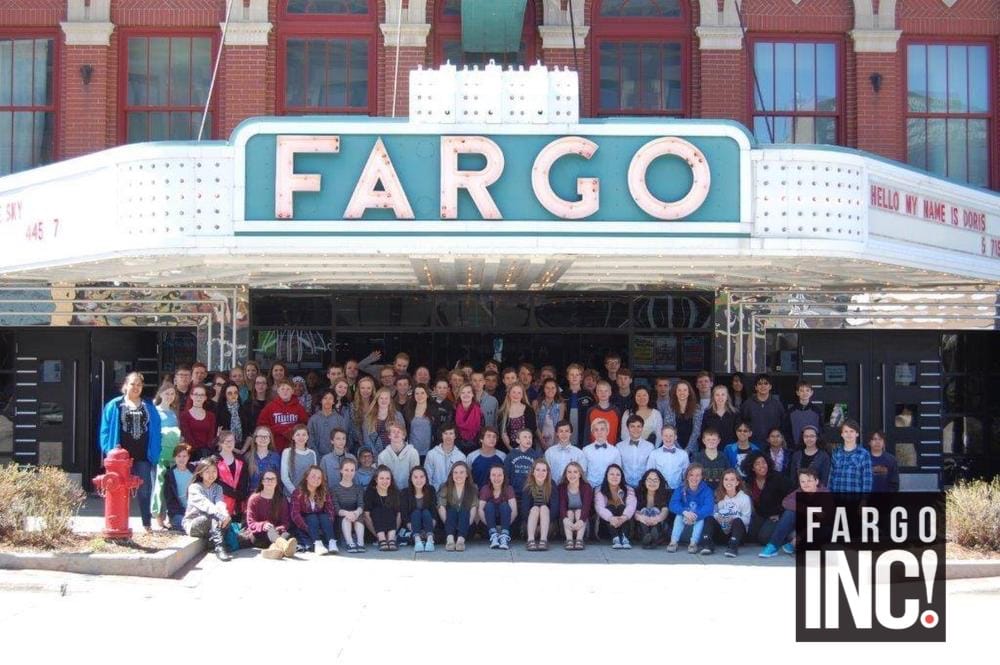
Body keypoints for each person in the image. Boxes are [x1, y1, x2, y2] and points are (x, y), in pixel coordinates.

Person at [99, 371, 162, 532]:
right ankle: (117, 525)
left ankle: (147, 524)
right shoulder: (115, 405)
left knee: (144, 489)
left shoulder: (149, 406)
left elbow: (156, 429)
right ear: (125, 385)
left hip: (143, 456)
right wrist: (108, 450)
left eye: (139, 384)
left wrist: (156, 450)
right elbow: (105, 430)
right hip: (120, 459)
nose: (136, 387)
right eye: (132, 383)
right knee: (118, 489)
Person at [759, 467, 828, 557]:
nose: (806, 484)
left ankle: (793, 544)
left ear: (816, 481)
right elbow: (786, 501)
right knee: (790, 512)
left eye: (809, 481)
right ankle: (773, 545)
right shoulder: (799, 491)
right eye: (802, 482)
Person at [182, 456, 233, 561]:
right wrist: (220, 515)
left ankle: (213, 543)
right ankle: (219, 547)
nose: (211, 475)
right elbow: (205, 504)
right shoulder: (194, 487)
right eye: (207, 472)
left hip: (212, 523)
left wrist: (225, 514)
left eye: (214, 471)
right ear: (200, 473)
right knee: (213, 516)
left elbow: (220, 503)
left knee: (226, 517)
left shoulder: (218, 488)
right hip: (194, 524)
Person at [244, 471, 298, 560]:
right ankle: (284, 547)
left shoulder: (281, 499)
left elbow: (286, 522)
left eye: (273, 479)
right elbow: (251, 523)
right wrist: (263, 525)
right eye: (267, 479)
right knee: (272, 531)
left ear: (277, 482)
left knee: (287, 535)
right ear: (262, 481)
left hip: (276, 532)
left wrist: (276, 530)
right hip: (259, 535)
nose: (270, 481)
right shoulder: (254, 499)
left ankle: (273, 551)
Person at [700, 469, 751, 557]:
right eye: (726, 479)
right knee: (709, 518)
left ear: (737, 482)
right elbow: (713, 513)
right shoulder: (719, 496)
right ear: (722, 482)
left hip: (737, 535)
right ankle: (707, 544)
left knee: (738, 520)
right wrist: (718, 517)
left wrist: (733, 517)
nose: (729, 482)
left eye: (732, 479)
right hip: (722, 532)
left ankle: (733, 548)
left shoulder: (744, 498)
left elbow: (747, 520)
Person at [152, 382, 181, 530]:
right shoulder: (154, 412)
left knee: (170, 488)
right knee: (159, 487)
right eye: (167, 393)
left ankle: (170, 517)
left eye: (172, 394)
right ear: (160, 394)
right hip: (160, 455)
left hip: (174, 456)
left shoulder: (173, 413)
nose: (169, 396)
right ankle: (158, 518)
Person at [290, 465, 338, 555]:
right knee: (312, 517)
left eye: (319, 477)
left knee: (324, 516)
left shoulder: (324, 491)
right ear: (306, 477)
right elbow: (294, 514)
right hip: (304, 525)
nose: (316, 479)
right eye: (313, 476)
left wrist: (327, 523)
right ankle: (318, 544)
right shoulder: (298, 492)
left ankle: (332, 542)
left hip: (322, 525)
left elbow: (330, 510)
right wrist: (307, 527)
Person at [666, 464, 714, 553]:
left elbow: (709, 508)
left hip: (698, 525)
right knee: (679, 516)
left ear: (702, 477)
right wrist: (684, 512)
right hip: (683, 522)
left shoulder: (707, 490)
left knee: (702, 519)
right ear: (687, 476)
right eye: (691, 475)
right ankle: (673, 542)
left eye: (697, 475)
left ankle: (693, 543)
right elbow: (673, 504)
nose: (694, 478)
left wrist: (696, 515)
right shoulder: (680, 489)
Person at [745, 452, 788, 546]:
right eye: (757, 463)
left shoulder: (778, 478)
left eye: (764, 462)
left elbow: (791, 497)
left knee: (764, 539)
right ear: (752, 468)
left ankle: (787, 535)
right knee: (750, 537)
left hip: (777, 515)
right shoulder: (749, 480)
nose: (762, 466)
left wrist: (780, 514)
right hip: (761, 515)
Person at [256, 379, 309, 452]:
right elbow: (261, 427)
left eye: (288, 389)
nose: (285, 391)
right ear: (278, 391)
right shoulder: (269, 407)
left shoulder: (299, 408)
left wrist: (291, 430)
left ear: (292, 391)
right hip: (274, 448)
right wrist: (280, 429)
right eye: (282, 389)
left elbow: (304, 425)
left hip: (294, 448)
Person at [438, 461, 478, 552]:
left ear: (467, 474)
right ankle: (450, 540)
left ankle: (460, 541)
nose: (458, 475)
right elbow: (441, 507)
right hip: (448, 526)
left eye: (461, 472)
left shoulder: (473, 488)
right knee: (452, 510)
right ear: (452, 474)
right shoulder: (445, 487)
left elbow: (473, 508)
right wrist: (449, 525)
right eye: (455, 472)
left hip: (466, 527)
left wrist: (465, 525)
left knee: (464, 510)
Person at [595, 463, 636, 549]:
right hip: (606, 526)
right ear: (606, 476)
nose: (615, 477)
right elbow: (600, 508)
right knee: (611, 507)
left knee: (621, 507)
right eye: (612, 474)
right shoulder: (599, 490)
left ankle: (625, 538)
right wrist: (611, 518)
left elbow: (631, 505)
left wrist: (624, 517)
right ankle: (615, 538)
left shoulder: (629, 490)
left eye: (618, 474)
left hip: (624, 523)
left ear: (621, 477)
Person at [308, 382, 354, 457]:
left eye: (330, 398)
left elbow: (346, 438)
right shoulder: (313, 420)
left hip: (335, 457)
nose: (327, 401)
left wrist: (339, 454)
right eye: (325, 398)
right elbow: (310, 440)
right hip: (317, 457)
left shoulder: (340, 419)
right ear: (320, 400)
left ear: (333, 401)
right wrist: (316, 456)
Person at [331, 458, 367, 553]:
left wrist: (355, 513)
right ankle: (350, 543)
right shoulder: (334, 489)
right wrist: (347, 513)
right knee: (346, 519)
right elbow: (336, 508)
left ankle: (360, 543)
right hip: (342, 518)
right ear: (341, 470)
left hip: (356, 516)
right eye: (346, 470)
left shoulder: (358, 488)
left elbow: (361, 505)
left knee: (359, 517)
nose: (349, 473)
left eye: (352, 470)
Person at [829, 419, 873, 495]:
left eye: (852, 431)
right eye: (846, 431)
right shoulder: (836, 452)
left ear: (857, 434)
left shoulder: (864, 454)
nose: (849, 434)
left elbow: (867, 479)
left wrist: (864, 500)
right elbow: (831, 476)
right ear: (842, 434)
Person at [522, 459, 559, 551]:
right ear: (533, 472)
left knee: (543, 508)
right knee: (535, 508)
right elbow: (524, 510)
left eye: (544, 470)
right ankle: (530, 540)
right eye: (538, 470)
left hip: (548, 526)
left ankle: (543, 540)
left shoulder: (552, 485)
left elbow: (555, 509)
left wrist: (542, 524)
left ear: (547, 473)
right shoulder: (528, 485)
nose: (540, 473)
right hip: (530, 526)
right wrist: (535, 525)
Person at [479, 465, 517, 550]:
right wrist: (491, 527)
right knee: (489, 505)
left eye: (500, 475)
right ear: (489, 476)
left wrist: (505, 526)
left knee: (504, 505)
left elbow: (514, 511)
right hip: (489, 524)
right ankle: (494, 536)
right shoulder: (485, 489)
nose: (497, 478)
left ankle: (504, 537)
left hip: (506, 523)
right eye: (493, 475)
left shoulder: (509, 488)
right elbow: (480, 510)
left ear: (504, 476)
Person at [400, 466, 437, 552]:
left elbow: (433, 511)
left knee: (425, 512)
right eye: (415, 477)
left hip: (428, 525)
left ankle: (430, 540)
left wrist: (431, 526)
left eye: (422, 476)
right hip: (412, 526)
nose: (419, 480)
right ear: (411, 479)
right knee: (416, 512)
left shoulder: (431, 490)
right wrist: (411, 528)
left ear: (426, 478)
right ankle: (417, 541)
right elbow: (404, 514)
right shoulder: (405, 492)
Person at [364, 465, 401, 551]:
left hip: (392, 530)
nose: (385, 481)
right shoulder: (370, 493)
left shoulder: (395, 492)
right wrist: (378, 535)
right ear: (376, 479)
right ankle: (382, 540)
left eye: (388, 478)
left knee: (390, 510)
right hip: (374, 531)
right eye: (382, 478)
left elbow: (399, 515)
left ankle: (391, 540)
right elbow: (366, 516)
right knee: (377, 510)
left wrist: (391, 535)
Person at [739, 374, 784, 444]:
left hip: (773, 444)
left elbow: (782, 425)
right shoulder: (747, 404)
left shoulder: (777, 405)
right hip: (752, 444)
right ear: (756, 387)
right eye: (760, 384)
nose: (763, 386)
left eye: (766, 383)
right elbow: (742, 425)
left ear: (770, 387)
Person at [215, 430, 249, 521]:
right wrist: (233, 493)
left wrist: (240, 495)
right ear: (220, 443)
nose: (230, 443)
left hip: (238, 502)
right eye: (226, 441)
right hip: (221, 501)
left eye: (232, 441)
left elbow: (244, 480)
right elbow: (215, 481)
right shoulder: (214, 460)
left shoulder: (240, 460)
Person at [361, 387, 405, 457]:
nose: (383, 400)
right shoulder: (368, 417)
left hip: (395, 454)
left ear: (390, 400)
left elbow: (403, 435)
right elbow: (367, 439)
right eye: (381, 398)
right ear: (377, 400)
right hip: (376, 454)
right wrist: (375, 455)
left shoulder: (397, 416)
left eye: (386, 398)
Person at [558, 461, 592, 550]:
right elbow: (562, 506)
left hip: (582, 523)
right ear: (565, 474)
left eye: (575, 472)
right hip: (567, 524)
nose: (572, 474)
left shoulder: (586, 487)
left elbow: (586, 507)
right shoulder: (562, 487)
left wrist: (581, 520)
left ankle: (579, 540)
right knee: (569, 512)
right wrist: (565, 519)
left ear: (580, 474)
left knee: (578, 511)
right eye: (569, 472)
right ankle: (569, 540)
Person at [632, 469, 669, 549]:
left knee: (656, 511)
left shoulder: (664, 493)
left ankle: (652, 537)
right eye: (649, 480)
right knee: (644, 511)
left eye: (655, 480)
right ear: (644, 481)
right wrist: (643, 518)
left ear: (660, 482)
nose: (652, 483)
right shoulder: (638, 492)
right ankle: (647, 537)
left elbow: (665, 511)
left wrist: (655, 519)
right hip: (642, 523)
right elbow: (635, 512)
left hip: (657, 523)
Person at [503, 428, 539, 510]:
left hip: (530, 493)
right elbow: (506, 475)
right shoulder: (511, 455)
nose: (528, 439)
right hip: (514, 492)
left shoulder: (536, 456)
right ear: (518, 440)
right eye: (525, 437)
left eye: (530, 437)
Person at [377, 421, 420, 489]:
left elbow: (416, 475)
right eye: (393, 432)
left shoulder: (413, 453)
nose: (396, 434)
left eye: (399, 431)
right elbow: (382, 478)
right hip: (390, 492)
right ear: (389, 436)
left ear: (403, 436)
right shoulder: (382, 456)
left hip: (408, 491)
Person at [663, 379, 702, 451]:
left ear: (689, 392)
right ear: (676, 392)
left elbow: (697, 431)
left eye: (685, 390)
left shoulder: (697, 409)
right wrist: (679, 449)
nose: (682, 392)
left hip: (692, 448)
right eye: (679, 390)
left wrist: (688, 449)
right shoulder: (670, 408)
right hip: (674, 447)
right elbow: (668, 429)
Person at [645, 425, 689, 490]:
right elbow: (649, 472)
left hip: (677, 489)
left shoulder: (683, 454)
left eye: (671, 436)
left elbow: (686, 473)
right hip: (659, 489)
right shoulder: (654, 454)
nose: (668, 438)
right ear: (662, 437)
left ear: (675, 437)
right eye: (665, 436)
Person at [582, 418, 622, 489]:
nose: (599, 432)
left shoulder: (615, 451)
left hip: (608, 488)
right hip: (590, 487)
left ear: (607, 431)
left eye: (602, 429)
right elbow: (583, 472)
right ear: (593, 433)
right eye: (596, 430)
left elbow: (618, 472)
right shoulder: (586, 450)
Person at [544, 420, 586, 488]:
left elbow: (582, 473)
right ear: (557, 433)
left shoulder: (579, 453)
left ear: (571, 433)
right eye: (561, 431)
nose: (564, 434)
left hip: (572, 489)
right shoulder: (549, 452)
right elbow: (545, 473)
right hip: (553, 489)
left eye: (567, 431)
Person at [424, 423, 467, 490]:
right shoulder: (431, 454)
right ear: (441, 435)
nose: (448, 436)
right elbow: (427, 476)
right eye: (445, 433)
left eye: (451, 433)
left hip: (454, 493)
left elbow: (463, 478)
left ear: (455, 436)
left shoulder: (461, 457)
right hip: (435, 493)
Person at [403, 384, 439, 461]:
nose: (420, 396)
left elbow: (437, 431)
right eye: (417, 393)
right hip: (412, 451)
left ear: (427, 395)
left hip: (429, 451)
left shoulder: (434, 410)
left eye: (422, 393)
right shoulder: (408, 410)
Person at [163, 444, 194, 531]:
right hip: (178, 511)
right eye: (179, 456)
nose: (181, 459)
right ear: (174, 457)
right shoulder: (170, 475)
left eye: (184, 456)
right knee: (181, 522)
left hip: (193, 510)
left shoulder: (194, 471)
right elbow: (169, 499)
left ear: (188, 457)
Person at [179, 383, 215, 460]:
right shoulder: (184, 415)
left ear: (205, 397)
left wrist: (206, 451)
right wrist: (197, 452)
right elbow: (187, 436)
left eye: (202, 395)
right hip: (190, 454)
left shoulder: (211, 416)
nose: (199, 397)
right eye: (196, 394)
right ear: (191, 396)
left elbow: (211, 436)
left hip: (207, 453)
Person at [562, 364, 595, 447]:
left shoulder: (588, 395)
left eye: (577, 375)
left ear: (581, 377)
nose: (574, 377)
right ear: (567, 377)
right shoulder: (562, 395)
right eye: (572, 375)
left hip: (584, 434)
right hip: (565, 434)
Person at [497, 384, 536, 453]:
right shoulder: (502, 412)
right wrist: (511, 449)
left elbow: (532, 430)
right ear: (509, 394)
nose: (516, 395)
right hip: (508, 450)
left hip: (527, 449)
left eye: (519, 393)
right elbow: (502, 433)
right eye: (513, 392)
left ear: (522, 395)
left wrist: (523, 448)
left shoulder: (529, 410)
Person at [280, 424, 317, 495]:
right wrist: (295, 493)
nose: (301, 437)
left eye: (304, 434)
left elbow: (314, 475)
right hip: (291, 496)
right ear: (293, 437)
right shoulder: (287, 452)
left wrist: (309, 492)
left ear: (308, 437)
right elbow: (284, 477)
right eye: (298, 435)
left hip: (308, 494)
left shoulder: (312, 453)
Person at [618, 415, 654, 488]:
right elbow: (618, 468)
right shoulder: (619, 446)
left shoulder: (650, 447)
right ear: (628, 428)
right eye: (632, 426)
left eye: (638, 426)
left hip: (643, 486)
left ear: (642, 428)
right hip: (625, 486)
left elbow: (650, 469)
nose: (636, 429)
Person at [785, 380, 822, 451]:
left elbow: (821, 430)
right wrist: (791, 446)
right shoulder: (791, 411)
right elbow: (787, 431)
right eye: (801, 390)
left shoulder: (817, 411)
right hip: (795, 448)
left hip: (813, 448)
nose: (804, 393)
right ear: (797, 393)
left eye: (807, 390)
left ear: (811, 392)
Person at [239, 375, 271, 453]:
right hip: (251, 441)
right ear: (254, 386)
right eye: (258, 383)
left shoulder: (271, 404)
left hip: (267, 441)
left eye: (263, 383)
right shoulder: (248, 403)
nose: (260, 386)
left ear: (267, 386)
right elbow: (245, 426)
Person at [245, 425, 281, 491]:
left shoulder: (276, 457)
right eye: (260, 436)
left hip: (271, 495)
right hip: (252, 495)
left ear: (270, 439)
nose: (263, 439)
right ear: (255, 439)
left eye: (266, 437)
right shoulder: (247, 457)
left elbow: (279, 479)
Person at [216, 381, 250, 449]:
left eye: (235, 392)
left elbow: (249, 432)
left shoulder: (245, 409)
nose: (233, 395)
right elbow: (219, 435)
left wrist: (242, 450)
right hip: (225, 447)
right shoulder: (218, 411)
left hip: (243, 447)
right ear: (224, 395)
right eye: (229, 393)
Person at [534, 378, 566, 449]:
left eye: (553, 388)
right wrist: (541, 440)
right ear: (543, 389)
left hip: (555, 438)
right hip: (539, 439)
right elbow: (534, 424)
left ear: (556, 389)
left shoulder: (561, 404)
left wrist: (555, 441)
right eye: (547, 388)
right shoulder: (536, 403)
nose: (550, 390)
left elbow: (559, 424)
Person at [453, 383, 484, 452]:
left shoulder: (479, 411)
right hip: (457, 446)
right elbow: (452, 430)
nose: (466, 395)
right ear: (459, 395)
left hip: (475, 446)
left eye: (469, 392)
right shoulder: (454, 410)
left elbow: (481, 430)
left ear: (473, 394)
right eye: (463, 392)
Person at [351, 376, 376, 450]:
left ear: (372, 390)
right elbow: (354, 427)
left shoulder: (376, 404)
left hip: (375, 442)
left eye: (368, 388)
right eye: (363, 388)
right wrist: (362, 444)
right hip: (359, 444)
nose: (366, 391)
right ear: (359, 389)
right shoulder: (353, 406)